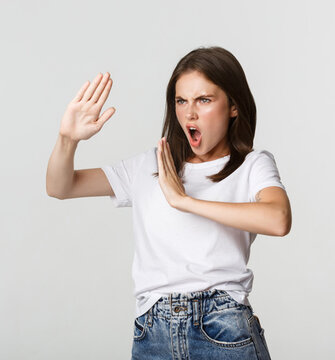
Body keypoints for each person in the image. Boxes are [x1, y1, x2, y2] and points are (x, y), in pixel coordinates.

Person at [46, 46, 290, 360]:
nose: (189, 113)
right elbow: (60, 187)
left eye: (204, 99)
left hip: (221, 324)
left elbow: (278, 219)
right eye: (181, 101)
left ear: (233, 106)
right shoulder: (151, 164)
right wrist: (68, 139)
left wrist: (184, 200)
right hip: (152, 331)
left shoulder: (251, 165)